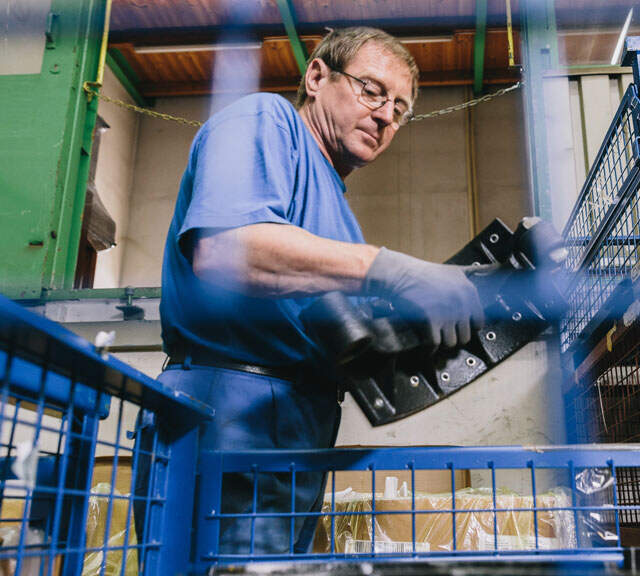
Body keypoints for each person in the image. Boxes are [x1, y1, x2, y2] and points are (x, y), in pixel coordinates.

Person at [156, 27, 484, 555]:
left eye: (400, 110)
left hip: (301, 423)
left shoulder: (337, 208)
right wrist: (390, 268)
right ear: (316, 76)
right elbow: (224, 251)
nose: (385, 116)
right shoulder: (265, 120)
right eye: (372, 90)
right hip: (230, 408)